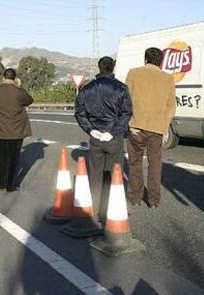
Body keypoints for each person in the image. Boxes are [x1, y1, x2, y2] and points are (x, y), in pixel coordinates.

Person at [75, 56, 133, 221]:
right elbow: (126, 113)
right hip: (113, 137)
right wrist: (114, 131)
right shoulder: (121, 88)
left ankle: (93, 206)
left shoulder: (86, 89)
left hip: (96, 137)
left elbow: (79, 113)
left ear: (99, 68)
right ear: (113, 67)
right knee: (114, 173)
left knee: (96, 173)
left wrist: (91, 130)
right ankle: (110, 210)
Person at [126, 47, 176, 208]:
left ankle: (135, 198)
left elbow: (126, 100)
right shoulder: (167, 78)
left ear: (145, 59)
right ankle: (154, 200)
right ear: (160, 62)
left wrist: (129, 122)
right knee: (155, 164)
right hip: (157, 128)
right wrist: (165, 125)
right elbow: (171, 106)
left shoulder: (133, 73)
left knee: (135, 163)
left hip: (136, 127)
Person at [0, 68, 34, 192]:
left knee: (1, 157)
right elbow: (29, 100)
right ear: (15, 78)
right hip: (17, 130)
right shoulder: (19, 91)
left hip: (0, 129)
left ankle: (1, 183)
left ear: (3, 78)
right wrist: (19, 86)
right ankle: (11, 185)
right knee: (14, 157)